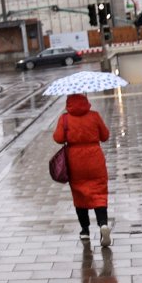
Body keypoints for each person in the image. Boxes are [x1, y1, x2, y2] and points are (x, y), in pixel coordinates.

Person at [53, 94, 111, 246]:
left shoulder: (65, 119)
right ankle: (103, 224)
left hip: (75, 161)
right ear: (86, 101)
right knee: (99, 192)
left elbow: (58, 138)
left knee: (79, 194)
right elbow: (105, 136)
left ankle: (85, 230)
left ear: (68, 102)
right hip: (95, 159)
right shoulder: (94, 116)